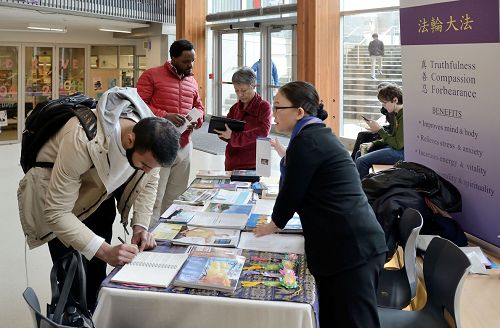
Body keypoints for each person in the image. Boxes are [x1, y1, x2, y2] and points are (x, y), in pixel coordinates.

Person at [17, 87, 181, 311]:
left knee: (95, 275)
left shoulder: (149, 133)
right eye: (143, 164)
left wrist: (140, 227)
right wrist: (106, 251)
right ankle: (72, 317)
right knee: (72, 279)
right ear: (130, 139)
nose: (145, 170)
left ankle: (92, 314)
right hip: (57, 198)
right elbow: (56, 213)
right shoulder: (81, 138)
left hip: (99, 196)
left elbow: (149, 181)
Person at [254, 81, 387, 327]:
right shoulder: (313, 135)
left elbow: (291, 193)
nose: (274, 113)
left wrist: (272, 225)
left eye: (278, 107)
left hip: (352, 250)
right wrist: (287, 157)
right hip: (348, 244)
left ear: (299, 112)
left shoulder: (308, 140)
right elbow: (304, 173)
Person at [137, 39, 205, 228]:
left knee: (176, 197)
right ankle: (146, 237)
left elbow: (199, 106)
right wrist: (165, 115)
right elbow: (138, 106)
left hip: (184, 146)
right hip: (159, 145)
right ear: (173, 58)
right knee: (154, 197)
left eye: (192, 60)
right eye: (185, 61)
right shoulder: (152, 75)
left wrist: (197, 120)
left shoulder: (191, 80)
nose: (190, 65)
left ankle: (166, 236)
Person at [215, 67, 272, 171]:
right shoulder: (234, 108)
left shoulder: (264, 106)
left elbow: (263, 132)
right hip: (232, 161)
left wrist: (234, 136)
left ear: (253, 85)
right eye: (237, 90)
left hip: (252, 162)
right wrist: (222, 132)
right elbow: (227, 133)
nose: (240, 94)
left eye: (244, 90)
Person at [355, 84, 404, 178]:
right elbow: (392, 137)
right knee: (359, 153)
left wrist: (379, 130)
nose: (383, 106)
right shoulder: (397, 114)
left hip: (402, 153)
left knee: (362, 161)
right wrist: (373, 143)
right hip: (397, 149)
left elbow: (398, 145)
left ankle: (363, 190)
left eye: (384, 103)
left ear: (395, 100)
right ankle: (357, 184)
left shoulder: (404, 115)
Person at [350, 82, 396, 160]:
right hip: (386, 132)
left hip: (387, 135)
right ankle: (353, 160)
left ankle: (354, 160)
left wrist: (379, 129)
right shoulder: (387, 108)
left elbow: (393, 131)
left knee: (362, 136)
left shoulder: (393, 110)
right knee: (362, 135)